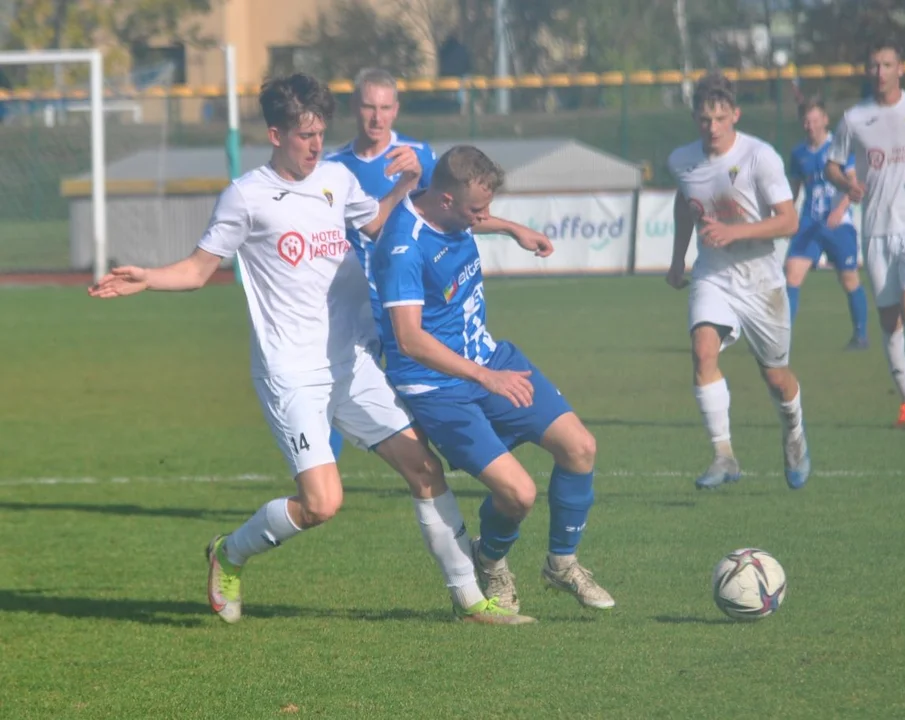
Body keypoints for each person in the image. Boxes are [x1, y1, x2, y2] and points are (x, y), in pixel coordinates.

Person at [88, 73, 532, 626]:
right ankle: (230, 553)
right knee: (322, 504)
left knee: (424, 469)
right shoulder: (246, 197)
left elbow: (379, 226)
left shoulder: (338, 179)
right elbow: (199, 270)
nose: (316, 144)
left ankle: (470, 601)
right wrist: (148, 278)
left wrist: (417, 191)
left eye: (321, 132)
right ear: (275, 134)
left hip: (352, 360)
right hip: (292, 371)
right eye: (304, 135)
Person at [372, 145, 615, 613]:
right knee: (518, 494)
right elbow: (408, 339)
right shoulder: (402, 246)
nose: (484, 216)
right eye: (477, 210)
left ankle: (562, 564)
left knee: (580, 448)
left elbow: (476, 215)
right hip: (438, 386)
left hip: (488, 359)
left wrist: (514, 229)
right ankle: (490, 561)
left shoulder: (449, 207)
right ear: (446, 201)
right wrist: (486, 378)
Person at [325, 67, 549, 349]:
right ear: (354, 106)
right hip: (355, 299)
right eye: (369, 107)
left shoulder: (418, 155)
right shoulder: (332, 167)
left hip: (408, 291)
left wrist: (512, 229)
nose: (377, 117)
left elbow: (453, 216)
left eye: (384, 107)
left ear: (395, 110)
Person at [665, 72, 811, 491]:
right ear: (695, 117)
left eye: (719, 118)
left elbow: (789, 220)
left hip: (761, 282)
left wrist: (735, 232)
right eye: (703, 119)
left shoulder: (759, 157)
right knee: (702, 350)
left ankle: (795, 431)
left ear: (735, 115)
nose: (711, 127)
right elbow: (684, 200)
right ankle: (724, 454)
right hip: (713, 273)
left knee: (776, 378)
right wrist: (678, 259)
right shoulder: (682, 159)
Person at [825, 38, 905, 431]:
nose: (880, 72)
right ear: (868, 70)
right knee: (889, 321)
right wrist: (847, 184)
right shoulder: (853, 118)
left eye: (888, 64)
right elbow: (832, 164)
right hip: (876, 229)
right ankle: (904, 403)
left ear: (902, 68)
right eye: (874, 65)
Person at [785, 97, 869, 349]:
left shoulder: (840, 148)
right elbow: (793, 191)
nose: (810, 125)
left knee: (849, 279)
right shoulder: (798, 154)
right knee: (791, 273)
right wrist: (784, 216)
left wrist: (840, 209)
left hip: (838, 224)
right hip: (809, 223)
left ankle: (860, 335)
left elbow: (853, 184)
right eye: (806, 121)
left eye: (814, 120)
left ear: (825, 119)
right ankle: (781, 340)